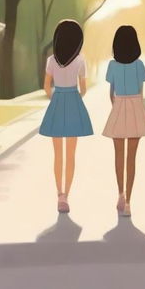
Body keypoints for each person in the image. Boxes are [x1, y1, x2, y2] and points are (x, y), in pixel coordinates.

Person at [39, 19, 93, 214]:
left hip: (57, 102)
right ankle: (66, 196)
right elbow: (84, 89)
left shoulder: (51, 60)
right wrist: (74, 98)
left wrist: (55, 97)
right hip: (73, 102)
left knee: (57, 154)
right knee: (71, 154)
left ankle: (59, 194)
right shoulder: (80, 60)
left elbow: (46, 86)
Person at [102, 25, 145, 217]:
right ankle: (129, 203)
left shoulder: (112, 66)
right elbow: (141, 92)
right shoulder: (139, 65)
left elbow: (111, 93)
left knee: (118, 156)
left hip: (119, 107)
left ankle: (120, 194)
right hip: (135, 108)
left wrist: (117, 107)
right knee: (131, 158)